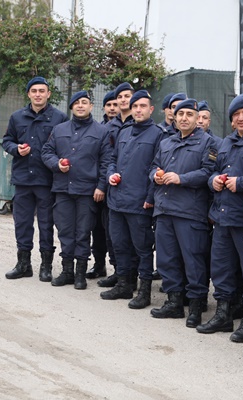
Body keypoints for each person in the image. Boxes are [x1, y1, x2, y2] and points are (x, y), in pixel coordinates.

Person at [196, 92, 243, 343]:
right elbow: (212, 171)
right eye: (236, 115)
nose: (241, 118)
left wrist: (239, 183)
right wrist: (213, 181)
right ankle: (223, 314)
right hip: (222, 216)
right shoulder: (226, 142)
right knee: (221, 268)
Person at [149, 98, 217, 328]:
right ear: (174, 118)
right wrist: (156, 175)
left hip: (190, 211)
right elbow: (153, 166)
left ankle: (196, 306)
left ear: (198, 118)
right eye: (181, 114)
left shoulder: (208, 143)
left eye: (190, 114)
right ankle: (174, 302)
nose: (185, 118)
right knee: (167, 259)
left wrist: (181, 178)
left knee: (193, 260)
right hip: (164, 208)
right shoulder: (166, 142)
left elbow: (209, 173)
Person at [100, 90, 166, 308]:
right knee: (119, 245)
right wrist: (110, 175)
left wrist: (150, 197)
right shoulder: (124, 131)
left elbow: (158, 168)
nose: (138, 110)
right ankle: (123, 285)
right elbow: (113, 160)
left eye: (142, 106)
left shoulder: (158, 134)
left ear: (151, 109)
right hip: (117, 200)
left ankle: (144, 291)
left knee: (143, 248)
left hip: (140, 202)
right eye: (135, 106)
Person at [2, 76, 68, 282]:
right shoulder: (17, 117)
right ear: (29, 94)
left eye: (42, 91)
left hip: (47, 180)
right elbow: (6, 141)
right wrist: (16, 149)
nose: (38, 94)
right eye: (34, 91)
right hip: (23, 180)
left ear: (48, 94)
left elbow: (64, 146)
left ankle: (46, 266)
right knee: (22, 223)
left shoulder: (59, 118)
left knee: (46, 224)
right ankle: (23, 264)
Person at [41, 90, 109, 290]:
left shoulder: (101, 132)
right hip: (63, 189)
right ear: (71, 107)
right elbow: (46, 151)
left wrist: (101, 186)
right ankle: (67, 271)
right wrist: (56, 164)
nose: (80, 105)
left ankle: (80, 273)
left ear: (90, 107)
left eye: (85, 102)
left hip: (87, 191)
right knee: (65, 231)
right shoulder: (59, 129)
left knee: (83, 232)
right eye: (77, 102)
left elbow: (106, 161)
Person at [97, 82, 138, 290]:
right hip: (111, 189)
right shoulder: (109, 127)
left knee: (133, 237)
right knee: (113, 235)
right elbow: (105, 158)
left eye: (126, 96)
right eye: (119, 96)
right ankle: (118, 271)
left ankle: (132, 275)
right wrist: (103, 185)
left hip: (133, 192)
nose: (122, 100)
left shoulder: (140, 123)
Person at [86, 90, 119, 280]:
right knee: (96, 228)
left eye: (115, 104)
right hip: (98, 186)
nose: (113, 108)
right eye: (109, 105)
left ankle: (118, 271)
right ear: (104, 108)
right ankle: (99, 265)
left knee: (113, 231)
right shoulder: (97, 128)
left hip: (115, 186)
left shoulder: (125, 127)